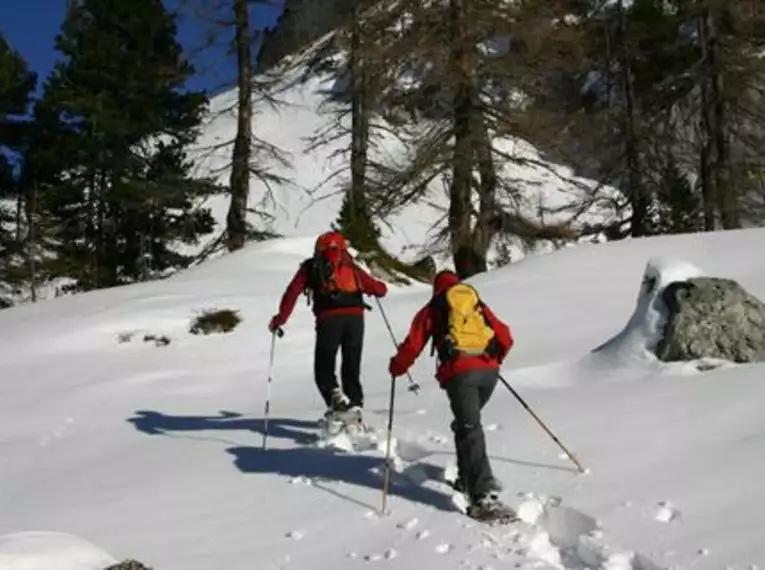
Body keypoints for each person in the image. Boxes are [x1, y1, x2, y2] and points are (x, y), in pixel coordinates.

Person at [387, 269, 514, 514]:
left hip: (460, 374)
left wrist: (397, 367)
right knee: (467, 424)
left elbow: (413, 345)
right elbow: (505, 336)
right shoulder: (476, 303)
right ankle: (467, 479)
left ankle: (482, 495)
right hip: (489, 372)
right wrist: (492, 360)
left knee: (470, 428)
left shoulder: (434, 308)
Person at [269, 231, 388, 422]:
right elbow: (379, 290)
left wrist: (280, 319)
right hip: (355, 320)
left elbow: (292, 293)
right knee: (351, 366)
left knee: (324, 367)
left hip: (329, 320)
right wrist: (376, 287)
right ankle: (355, 407)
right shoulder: (350, 265)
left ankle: (336, 397)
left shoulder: (311, 266)